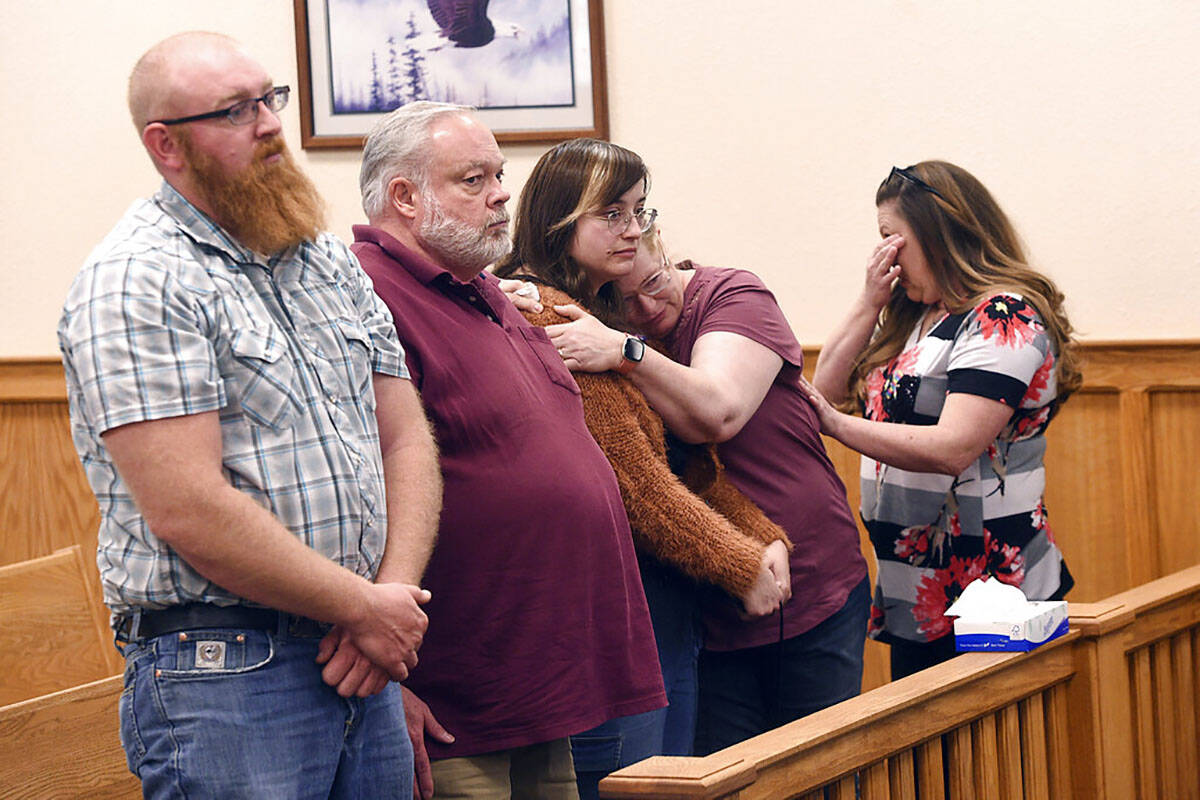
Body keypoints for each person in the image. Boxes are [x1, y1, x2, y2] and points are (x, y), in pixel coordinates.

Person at [57, 32, 440, 799]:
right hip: (227, 674)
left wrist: (386, 607)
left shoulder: (324, 260)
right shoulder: (137, 279)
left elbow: (404, 439)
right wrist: (365, 608)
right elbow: (189, 509)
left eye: (271, 99)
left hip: (358, 658)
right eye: (236, 111)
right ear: (166, 146)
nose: (269, 124)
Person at [512, 141, 871, 755]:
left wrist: (759, 540)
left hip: (797, 582)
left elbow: (713, 420)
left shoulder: (724, 297)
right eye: (612, 215)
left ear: (668, 252)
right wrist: (743, 555)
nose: (648, 309)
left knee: (820, 767)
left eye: (638, 215)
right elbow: (645, 480)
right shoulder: (568, 319)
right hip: (694, 595)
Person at [352, 103, 665, 799]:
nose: (501, 194)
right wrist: (391, 687)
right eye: (473, 179)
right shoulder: (369, 297)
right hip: (454, 698)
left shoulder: (487, 290)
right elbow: (355, 497)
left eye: (499, 174)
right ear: (403, 197)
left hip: (537, 680)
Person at [805, 161, 1080, 680]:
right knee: (932, 760)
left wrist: (835, 426)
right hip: (917, 588)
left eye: (892, 238)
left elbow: (954, 446)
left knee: (993, 757)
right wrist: (869, 301)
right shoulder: (919, 315)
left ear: (937, 233)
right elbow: (823, 392)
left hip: (990, 587)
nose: (884, 255)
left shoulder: (1002, 315)